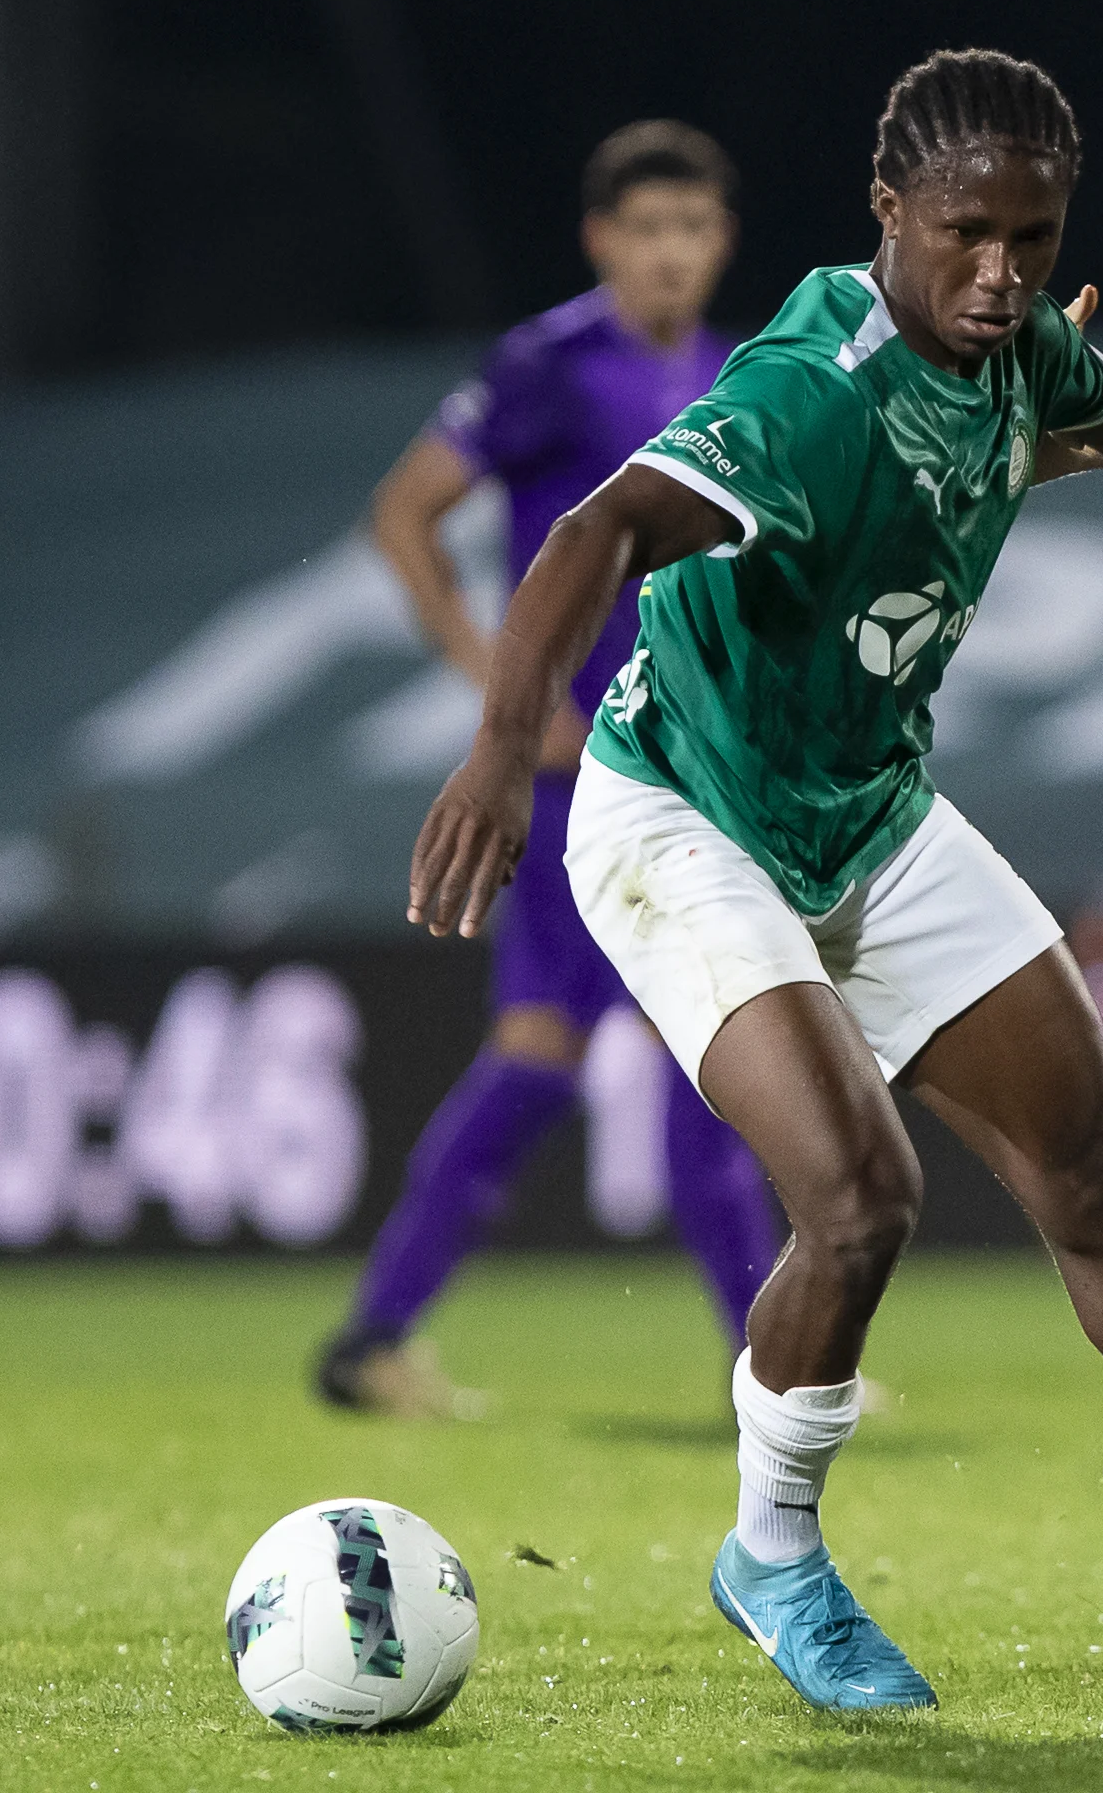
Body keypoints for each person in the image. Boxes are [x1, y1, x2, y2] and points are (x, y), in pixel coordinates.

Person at [406, 49, 1103, 1711]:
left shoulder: (1015, 338)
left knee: (1093, 1172)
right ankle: (772, 1554)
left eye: (1032, 239)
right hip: (685, 815)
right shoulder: (809, 387)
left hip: (870, 813)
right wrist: (491, 741)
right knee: (860, 1193)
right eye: (965, 234)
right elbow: (595, 528)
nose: (1000, 274)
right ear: (886, 213)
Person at [315, 121, 784, 1420]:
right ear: (602, 242)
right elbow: (405, 511)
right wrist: (500, 692)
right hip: (596, 780)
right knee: (698, 1053)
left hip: (690, 768)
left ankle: (375, 1339)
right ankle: (774, 1370)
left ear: (722, 242)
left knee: (560, 1053)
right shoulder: (550, 364)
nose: (673, 254)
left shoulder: (730, 370)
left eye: (694, 230)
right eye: (648, 230)